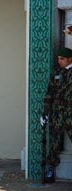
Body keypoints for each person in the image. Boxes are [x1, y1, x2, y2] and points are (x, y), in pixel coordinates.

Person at [40, 47, 72, 183]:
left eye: (62, 59)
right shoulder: (56, 72)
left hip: (71, 113)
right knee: (54, 142)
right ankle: (50, 169)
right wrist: (45, 112)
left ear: (70, 59)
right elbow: (49, 92)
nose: (59, 61)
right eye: (58, 58)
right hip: (57, 113)